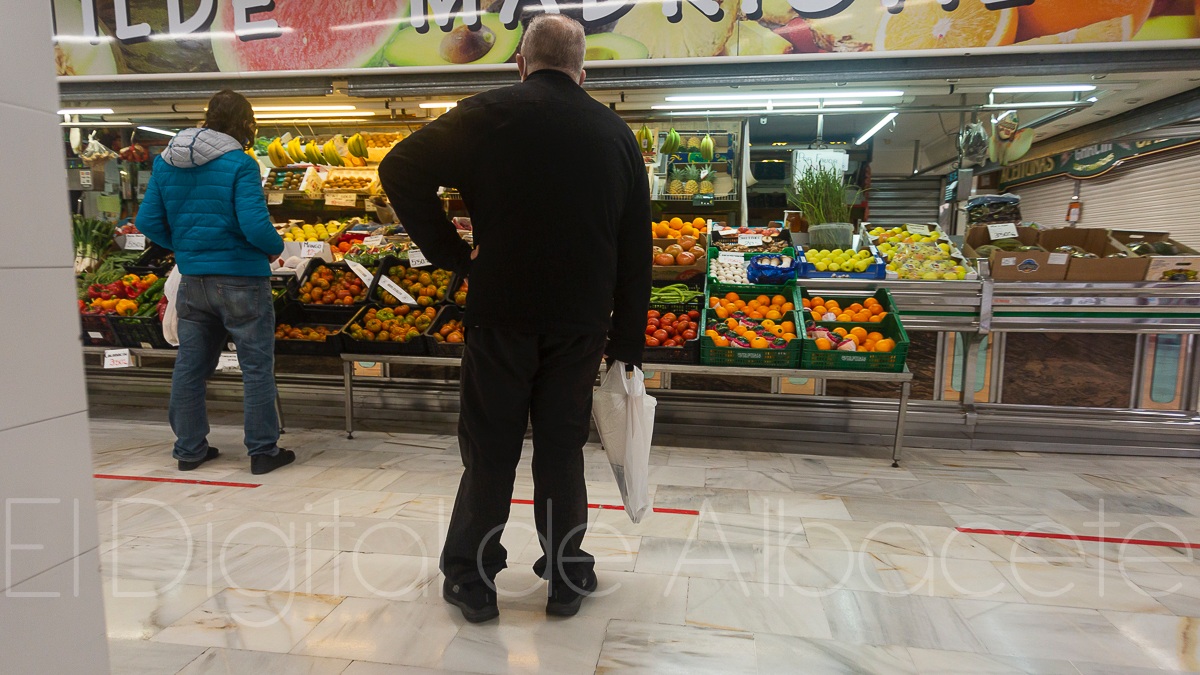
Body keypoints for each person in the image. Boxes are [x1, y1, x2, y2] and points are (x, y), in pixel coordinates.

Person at [379, 14, 651, 622]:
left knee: (491, 447)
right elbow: (638, 250)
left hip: (499, 313)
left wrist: (453, 255)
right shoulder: (615, 136)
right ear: (584, 71)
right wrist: (628, 343)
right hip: (581, 323)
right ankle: (564, 575)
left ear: (521, 63)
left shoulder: (484, 113)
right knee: (561, 449)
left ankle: (473, 581)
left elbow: (398, 169)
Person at [136, 89, 295, 476]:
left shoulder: (166, 162)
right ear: (245, 123)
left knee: (190, 367)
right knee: (256, 367)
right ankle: (262, 451)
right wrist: (276, 249)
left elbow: (147, 222)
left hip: (192, 281)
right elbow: (256, 225)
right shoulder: (239, 163)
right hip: (241, 279)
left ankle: (189, 450)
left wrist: (188, 248)